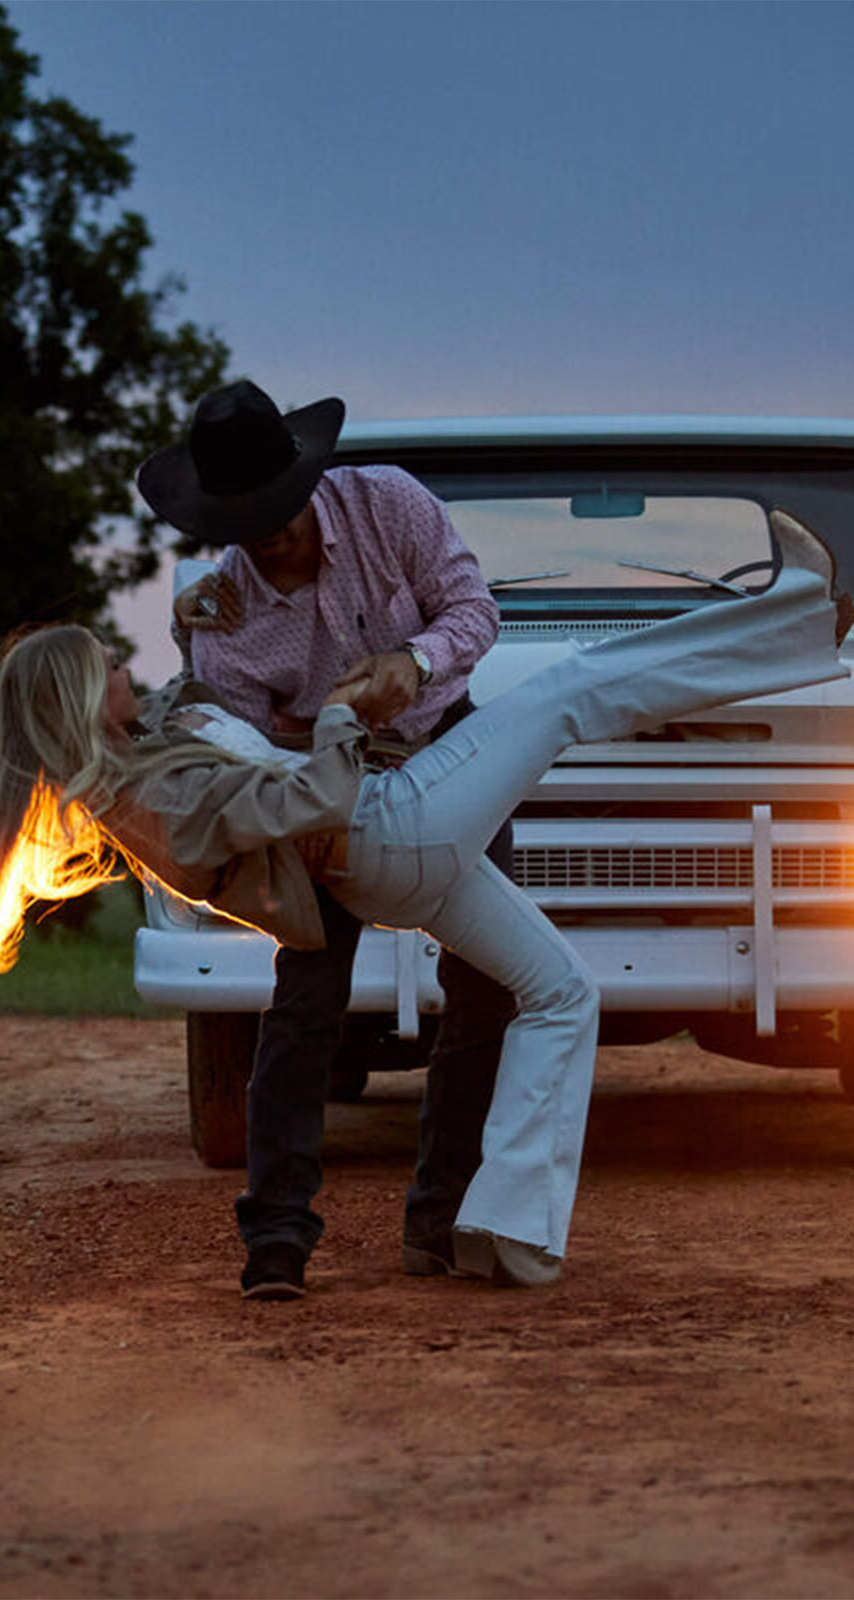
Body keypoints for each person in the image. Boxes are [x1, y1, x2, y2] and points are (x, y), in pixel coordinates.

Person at [0, 510, 850, 1299]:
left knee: (559, 990)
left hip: (393, 850)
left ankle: (501, 1232)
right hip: (393, 821)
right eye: (108, 665)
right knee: (572, 689)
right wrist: (342, 715)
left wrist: (198, 627)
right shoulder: (149, 797)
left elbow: (212, 712)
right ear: (84, 700)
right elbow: (310, 799)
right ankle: (799, 618)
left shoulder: (144, 754)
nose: (125, 667)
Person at [136, 379, 517, 1283]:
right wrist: (300, 814)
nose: (269, 533)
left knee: (487, 985)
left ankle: (444, 1219)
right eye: (244, 518)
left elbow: (475, 609)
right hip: (313, 785)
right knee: (306, 996)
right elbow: (240, 747)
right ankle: (275, 1234)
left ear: (307, 477)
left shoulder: (391, 503)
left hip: (450, 749)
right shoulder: (224, 621)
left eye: (279, 507)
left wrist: (414, 660)